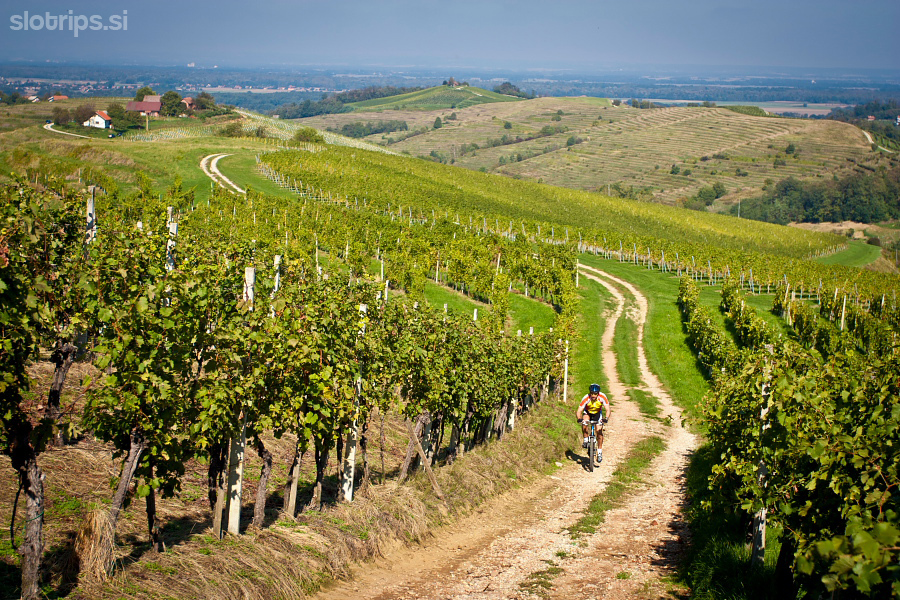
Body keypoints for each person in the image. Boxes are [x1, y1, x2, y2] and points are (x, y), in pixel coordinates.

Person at [576, 383, 610, 463]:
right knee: (584, 423)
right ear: (590, 393)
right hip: (588, 412)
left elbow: (608, 409)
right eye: (592, 393)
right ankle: (585, 439)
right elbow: (579, 410)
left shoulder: (602, 397)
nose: (593, 395)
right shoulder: (586, 398)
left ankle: (600, 452)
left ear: (598, 393)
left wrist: (606, 418)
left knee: (599, 432)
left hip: (597, 414)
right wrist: (579, 418)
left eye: (595, 394)